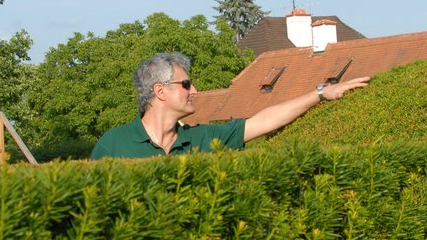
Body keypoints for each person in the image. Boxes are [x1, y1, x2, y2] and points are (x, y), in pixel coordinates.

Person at [90, 51, 370, 159]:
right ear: (160, 91)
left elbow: (263, 121)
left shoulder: (204, 138)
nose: (195, 90)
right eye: (186, 84)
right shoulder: (112, 146)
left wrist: (321, 93)